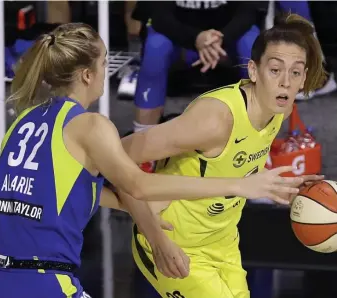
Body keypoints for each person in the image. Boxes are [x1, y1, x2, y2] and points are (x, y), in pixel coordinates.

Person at [0, 23, 302, 298]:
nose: (108, 71)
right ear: (87, 75)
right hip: (45, 280)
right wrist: (242, 185)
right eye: (105, 62)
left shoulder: (21, 124)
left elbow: (59, 192)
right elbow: (139, 184)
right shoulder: (91, 126)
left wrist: (129, 206)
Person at [120, 13, 327, 298]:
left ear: (303, 78)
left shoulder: (279, 109)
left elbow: (233, 162)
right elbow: (118, 155)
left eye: (295, 72)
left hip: (223, 242)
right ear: (254, 71)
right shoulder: (215, 120)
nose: (285, 82)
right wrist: (154, 236)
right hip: (175, 244)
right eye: (275, 70)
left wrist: (283, 187)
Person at [131, 1, 266, 161]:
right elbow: (158, 15)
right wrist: (195, 38)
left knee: (250, 44)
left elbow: (248, 12)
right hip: (178, 38)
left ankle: (259, 140)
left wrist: (221, 38)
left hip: (225, 39)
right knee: (156, 47)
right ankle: (143, 148)